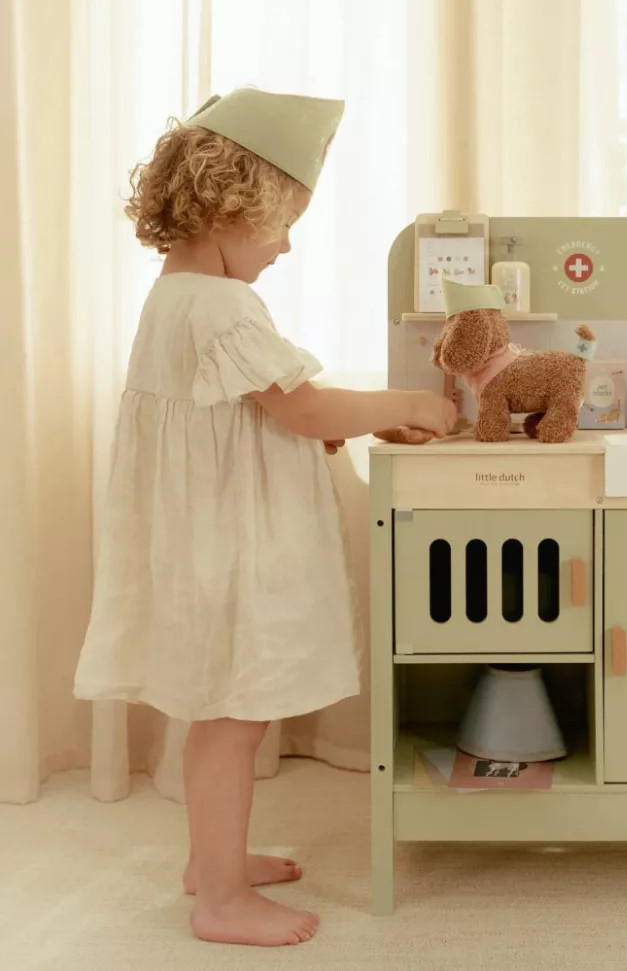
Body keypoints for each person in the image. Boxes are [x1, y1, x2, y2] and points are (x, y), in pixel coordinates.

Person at [73, 88, 457, 947]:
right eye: (281, 226)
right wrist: (406, 403)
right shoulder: (221, 306)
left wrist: (330, 427)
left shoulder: (174, 298)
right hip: (230, 546)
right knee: (233, 717)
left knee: (221, 711)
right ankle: (220, 900)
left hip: (200, 538)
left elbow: (243, 413)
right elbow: (300, 406)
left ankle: (211, 863)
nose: (285, 246)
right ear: (230, 209)